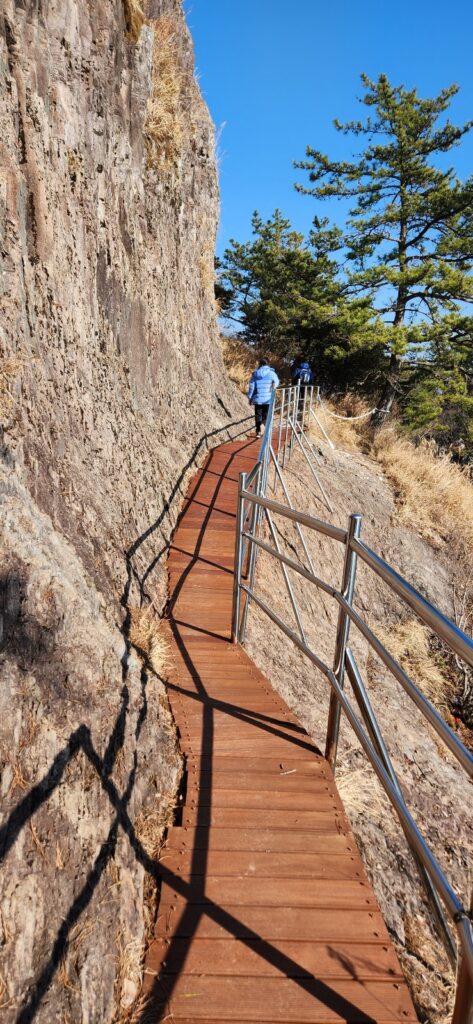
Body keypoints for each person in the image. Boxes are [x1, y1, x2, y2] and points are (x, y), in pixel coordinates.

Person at [248, 358, 280, 438]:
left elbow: (252, 387)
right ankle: (263, 424)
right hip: (268, 398)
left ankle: (258, 432)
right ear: (268, 364)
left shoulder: (255, 374)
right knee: (266, 414)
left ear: (260, 364)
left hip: (258, 398)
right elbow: (276, 383)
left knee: (258, 415)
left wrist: (250, 397)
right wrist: (272, 388)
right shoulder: (272, 373)